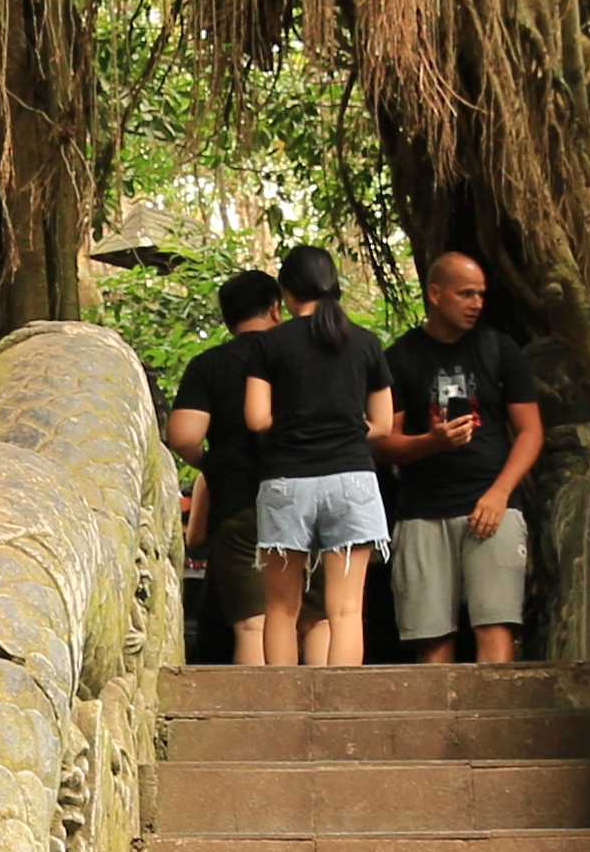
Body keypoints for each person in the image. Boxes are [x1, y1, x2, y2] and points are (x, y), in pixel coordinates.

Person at [372, 249, 544, 663]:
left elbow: (530, 431)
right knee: (431, 639)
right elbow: (382, 442)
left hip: (491, 506)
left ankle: (494, 724)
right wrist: (431, 442)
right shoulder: (400, 358)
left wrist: (500, 493)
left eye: (481, 295)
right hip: (422, 512)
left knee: (496, 625)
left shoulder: (499, 350)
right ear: (436, 294)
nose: (477, 304)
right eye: (466, 294)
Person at [235, 243, 388, 667]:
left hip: (287, 480)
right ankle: (342, 713)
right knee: (346, 612)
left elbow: (256, 418)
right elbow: (385, 425)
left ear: (286, 292)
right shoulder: (366, 344)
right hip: (352, 479)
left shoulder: (269, 345)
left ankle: (284, 711)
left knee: (282, 611)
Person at [158, 266, 288, 663]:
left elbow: (182, 436)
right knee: (307, 619)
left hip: (239, 501)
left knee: (253, 624)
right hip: (301, 496)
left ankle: (258, 720)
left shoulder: (209, 365)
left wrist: (216, 465)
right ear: (275, 309)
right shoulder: (298, 356)